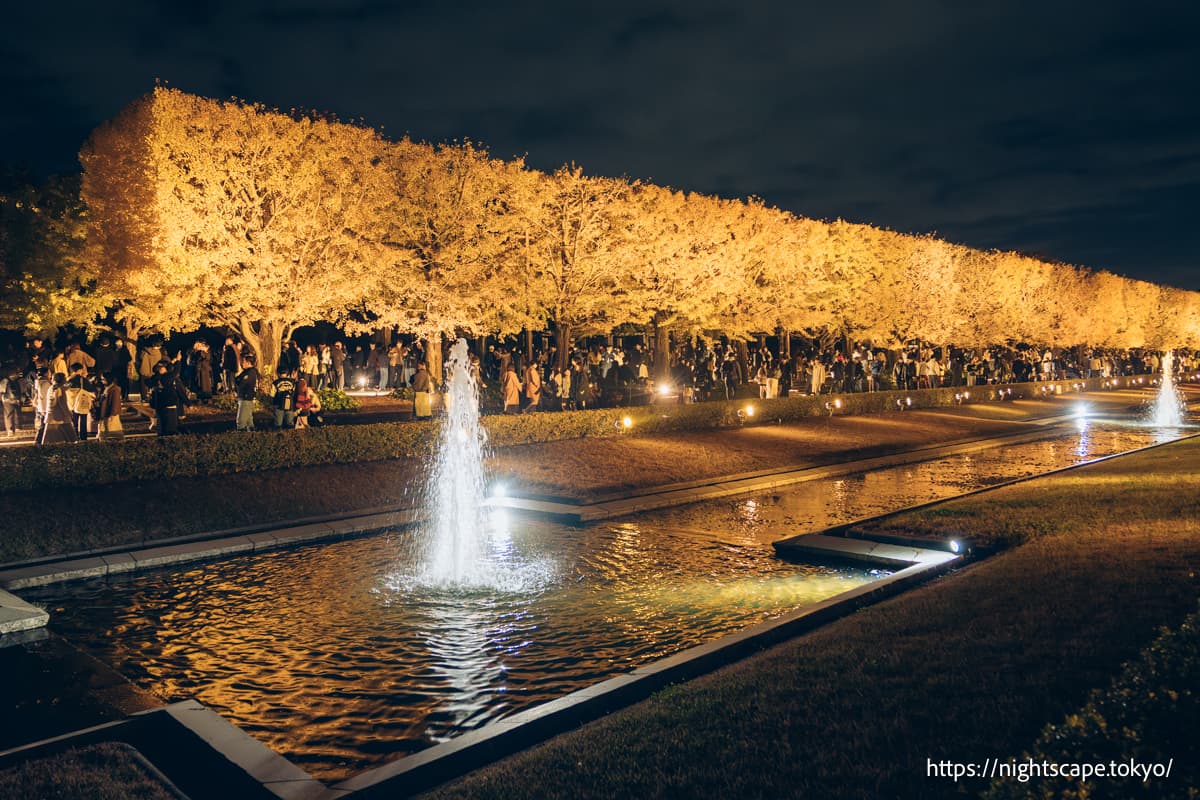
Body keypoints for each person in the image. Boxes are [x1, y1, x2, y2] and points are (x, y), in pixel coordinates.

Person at [38, 373, 78, 445]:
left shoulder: (51, 388)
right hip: (60, 415)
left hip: (50, 414)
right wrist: (68, 413)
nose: (66, 380)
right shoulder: (60, 389)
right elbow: (62, 403)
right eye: (65, 378)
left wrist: (71, 379)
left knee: (50, 437)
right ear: (62, 380)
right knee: (70, 436)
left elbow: (67, 386)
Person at [150, 362, 187, 435]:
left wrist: (172, 362)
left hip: (160, 404)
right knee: (170, 422)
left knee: (162, 421)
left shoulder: (155, 378)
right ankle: (170, 432)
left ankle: (163, 432)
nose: (165, 369)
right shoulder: (166, 378)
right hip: (169, 403)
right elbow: (175, 372)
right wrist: (178, 361)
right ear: (160, 370)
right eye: (163, 368)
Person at [96, 372, 124, 442]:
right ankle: (102, 437)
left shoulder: (115, 389)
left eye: (103, 379)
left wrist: (113, 413)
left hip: (109, 412)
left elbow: (115, 402)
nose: (102, 381)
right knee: (105, 426)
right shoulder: (107, 388)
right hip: (105, 411)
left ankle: (104, 438)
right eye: (102, 379)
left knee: (110, 427)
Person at [1, 367, 28, 438]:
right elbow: (24, 391)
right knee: (17, 413)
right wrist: (22, 400)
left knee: (9, 415)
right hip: (17, 400)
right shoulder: (21, 380)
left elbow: (1, 392)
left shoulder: (4, 380)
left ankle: (10, 430)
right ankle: (18, 428)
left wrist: (3, 400)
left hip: (7, 400)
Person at [234, 356, 259, 431]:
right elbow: (237, 379)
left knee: (241, 420)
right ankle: (251, 434)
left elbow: (241, 383)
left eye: (244, 362)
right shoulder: (248, 372)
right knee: (248, 420)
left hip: (246, 397)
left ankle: (241, 435)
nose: (242, 363)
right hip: (246, 397)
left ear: (248, 363)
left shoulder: (250, 373)